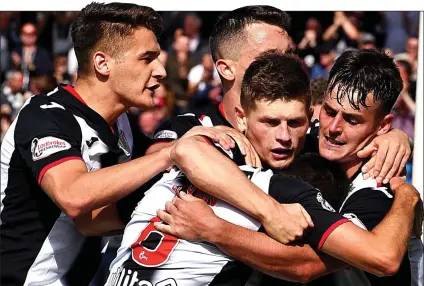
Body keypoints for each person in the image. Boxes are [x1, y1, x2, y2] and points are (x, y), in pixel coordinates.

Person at [65, 51, 420, 286]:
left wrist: (408, 194)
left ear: (382, 126)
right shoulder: (262, 158)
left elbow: (321, 263)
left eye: (353, 120)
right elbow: (175, 159)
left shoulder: (378, 185)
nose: (333, 128)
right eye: (329, 112)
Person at [0, 3, 237, 286]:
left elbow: (101, 217)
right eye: (147, 58)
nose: (160, 70)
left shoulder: (120, 126)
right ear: (102, 62)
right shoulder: (46, 114)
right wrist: (170, 153)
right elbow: (76, 199)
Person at [149, 6, 411, 190]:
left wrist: (395, 139)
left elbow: (356, 140)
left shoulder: (307, 132)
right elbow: (157, 160)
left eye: (289, 55)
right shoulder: (192, 128)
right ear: (225, 68)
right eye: (270, 56)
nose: (285, 65)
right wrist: (204, 144)